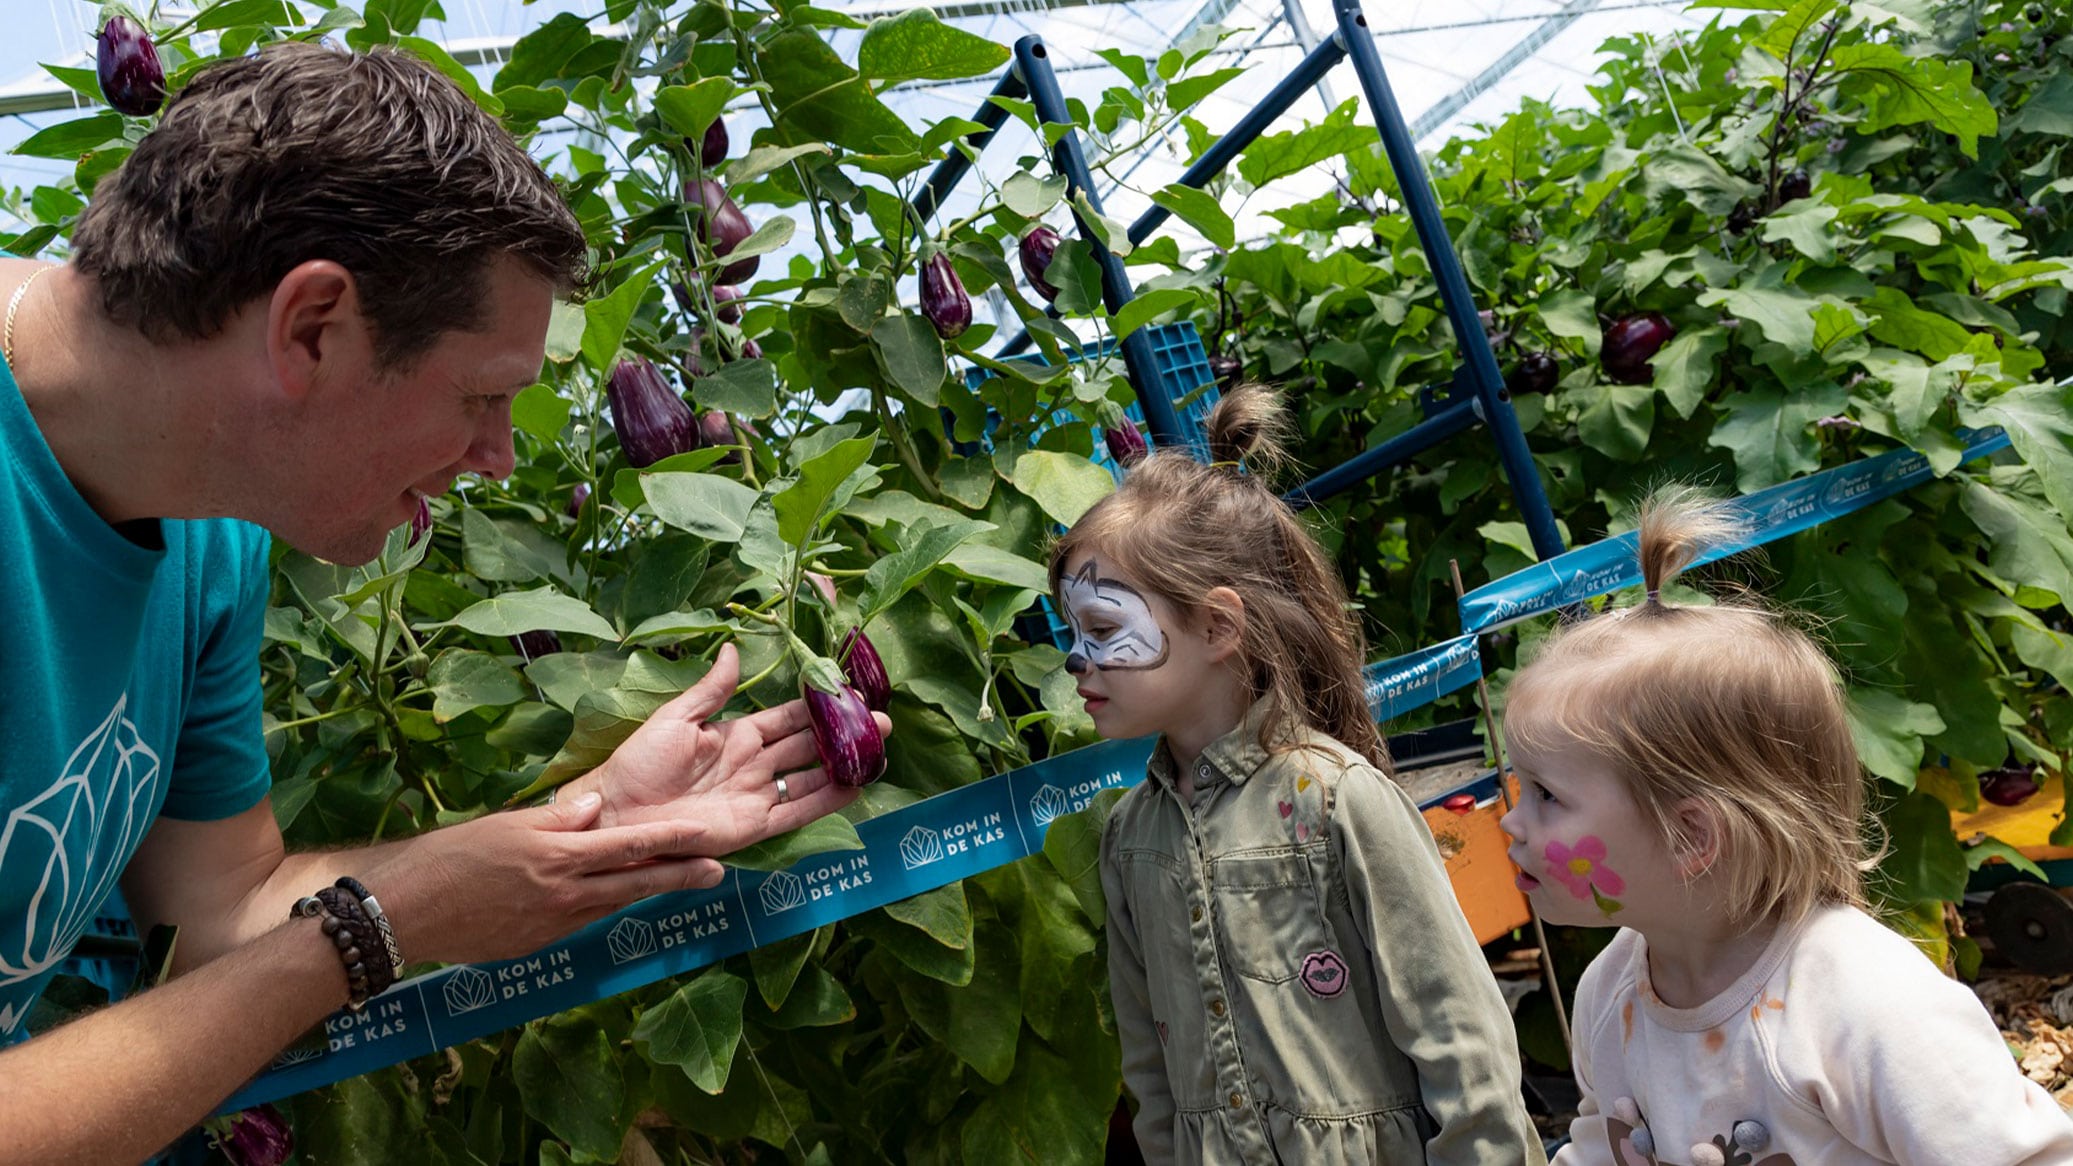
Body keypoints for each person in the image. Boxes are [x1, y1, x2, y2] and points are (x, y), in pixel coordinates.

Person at [0, 43, 879, 1165]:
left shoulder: (210, 525)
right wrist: (379, 925)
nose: (503, 458)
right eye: (481, 395)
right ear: (312, 326)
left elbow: (220, 906)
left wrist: (584, 824)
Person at [1500, 490, 2073, 1166]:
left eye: (1545, 794)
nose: (1510, 820)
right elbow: (1601, 1145)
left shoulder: (1866, 1005)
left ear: (1691, 837)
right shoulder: (1612, 989)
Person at [1057, 386, 1545, 1165]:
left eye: (1104, 628)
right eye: (1071, 634)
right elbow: (1148, 1067)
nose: (1076, 659)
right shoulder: (1129, 836)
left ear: (1217, 625)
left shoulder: (1337, 798)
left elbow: (1458, 1034)